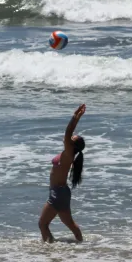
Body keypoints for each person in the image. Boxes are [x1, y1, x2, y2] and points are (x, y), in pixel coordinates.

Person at [39, 104, 87, 243]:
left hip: (58, 193)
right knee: (71, 225)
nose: (69, 137)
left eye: (72, 138)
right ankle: (81, 245)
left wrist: (76, 116)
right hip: (61, 192)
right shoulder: (68, 155)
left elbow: (67, 132)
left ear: (72, 145)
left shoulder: (68, 154)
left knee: (42, 224)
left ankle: (50, 250)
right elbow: (69, 134)